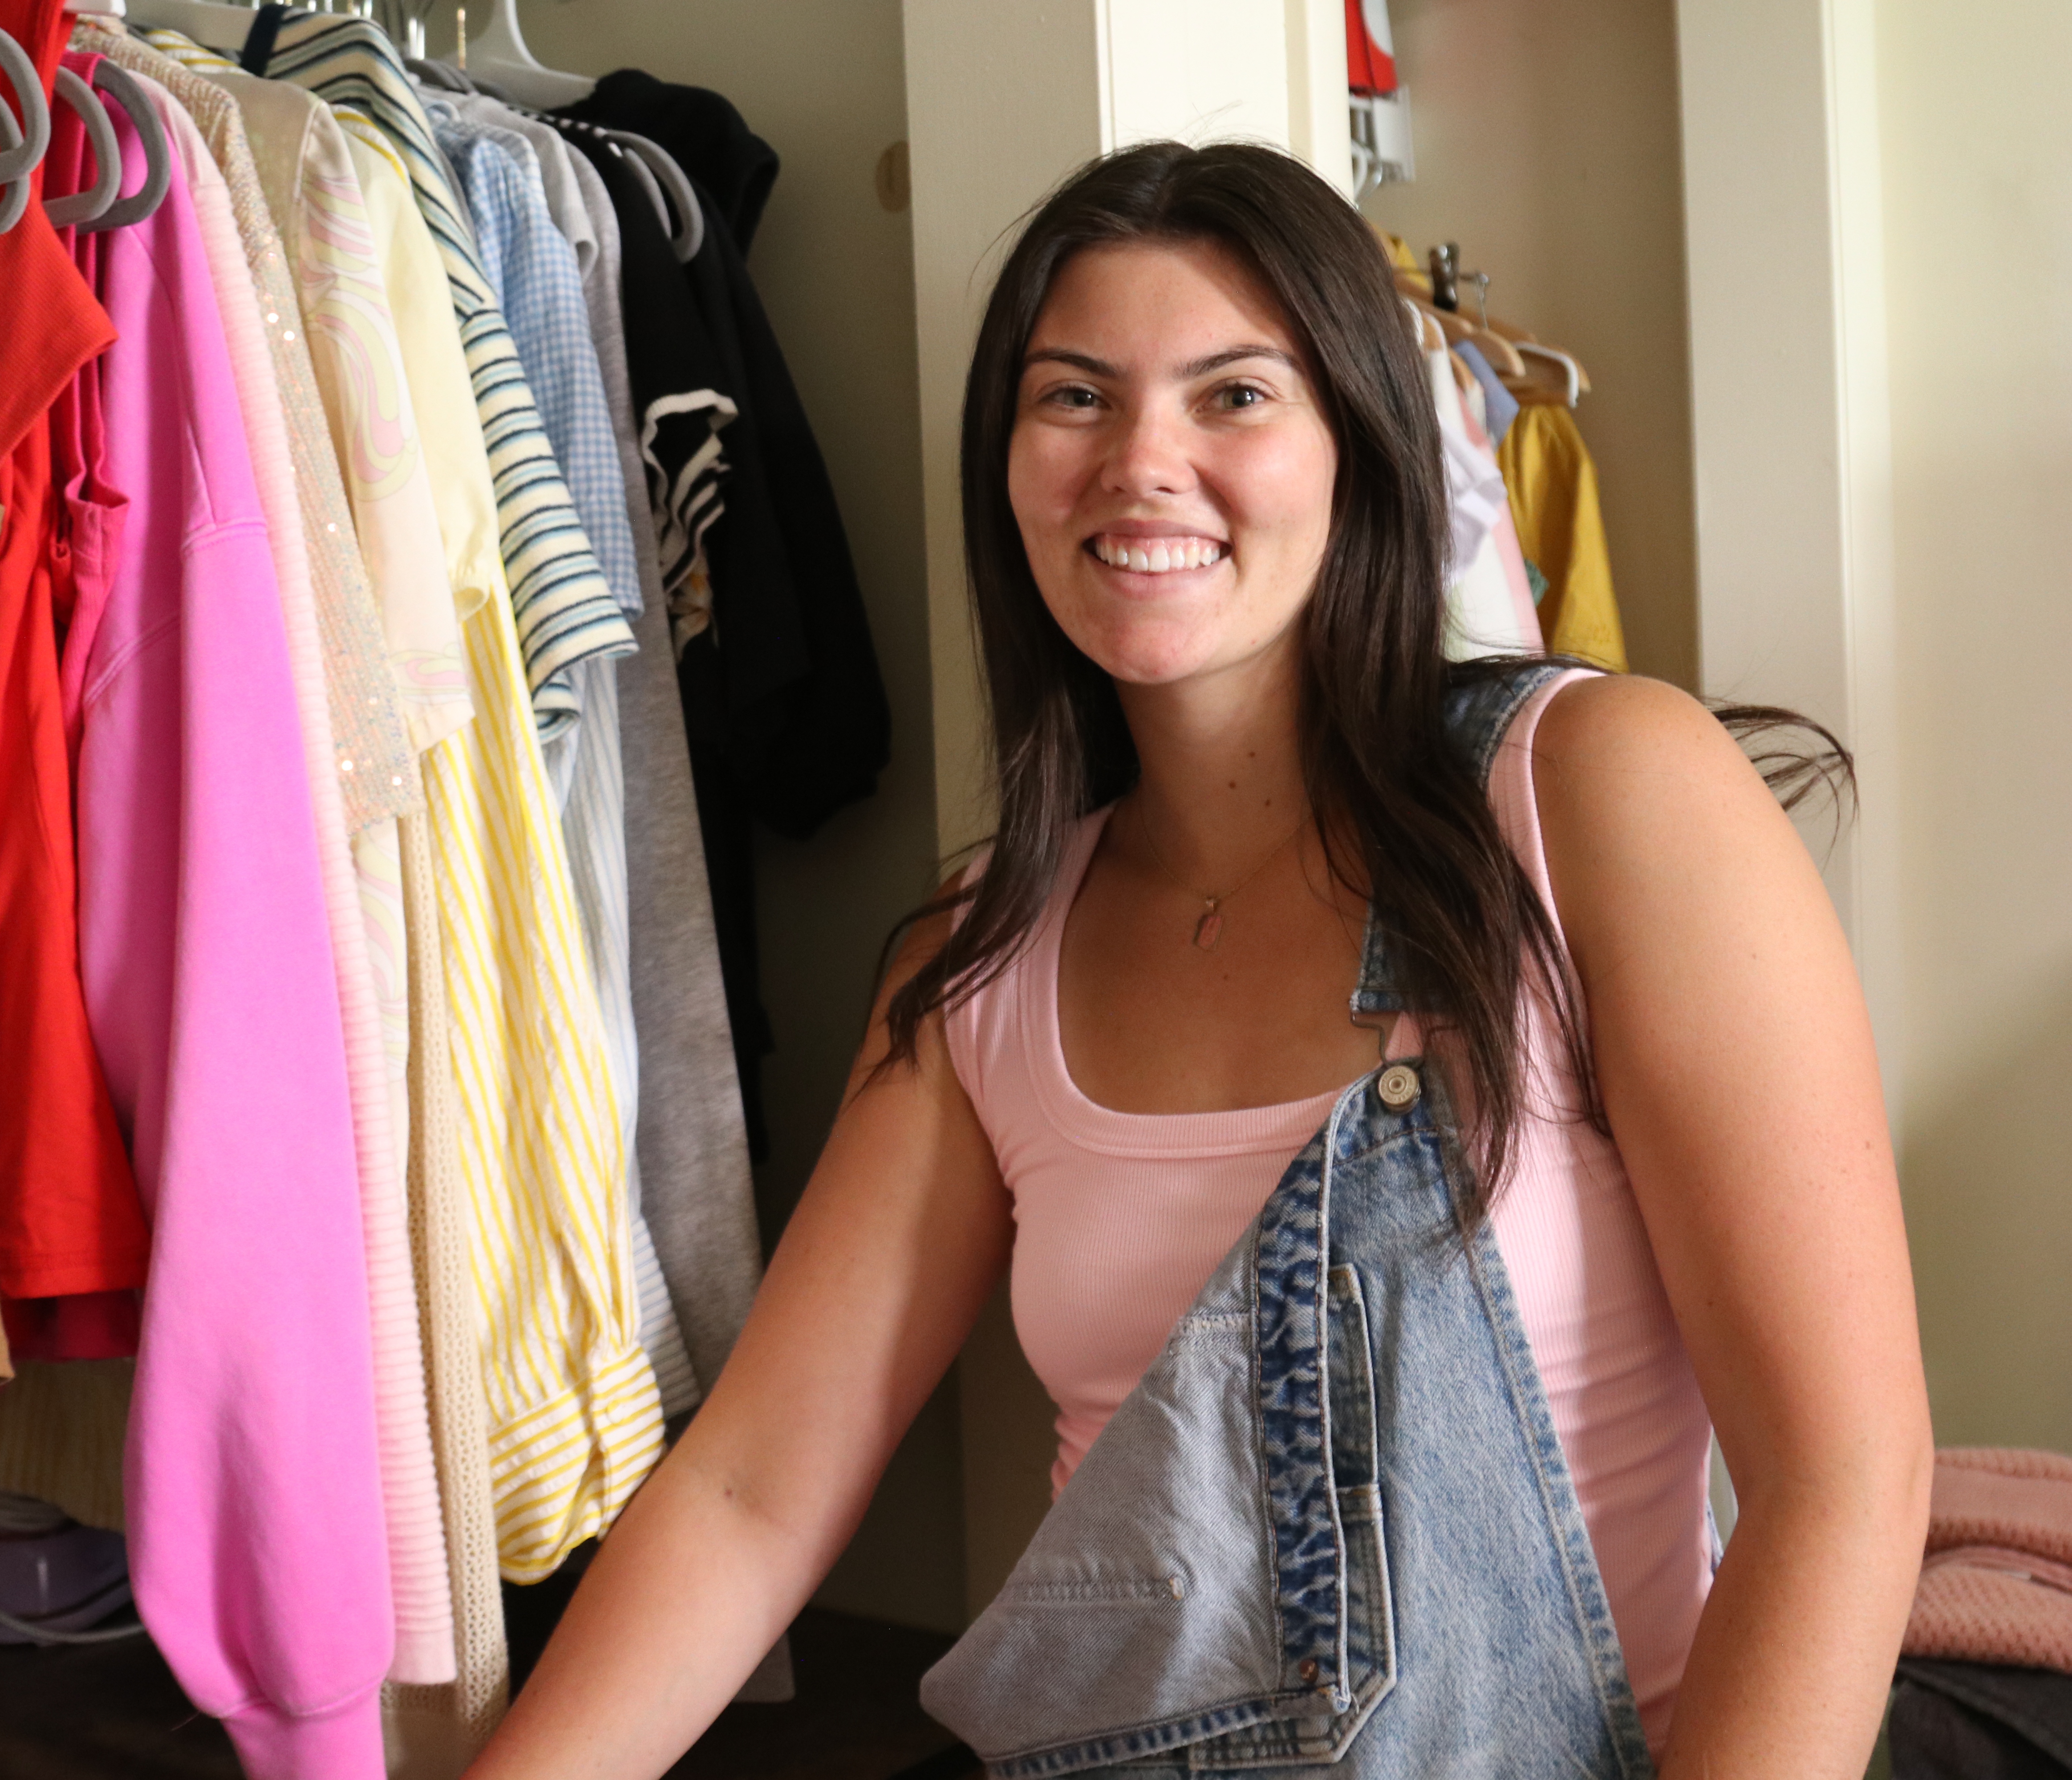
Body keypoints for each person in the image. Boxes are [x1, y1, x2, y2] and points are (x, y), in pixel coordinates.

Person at [467, 142, 1931, 1780]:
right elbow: (749, 1499)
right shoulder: (978, 963)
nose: (1140, 463)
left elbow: (1842, 1480)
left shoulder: (1592, 792)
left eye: (1234, 396)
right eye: (1074, 398)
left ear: (1358, 451)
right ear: (1008, 466)